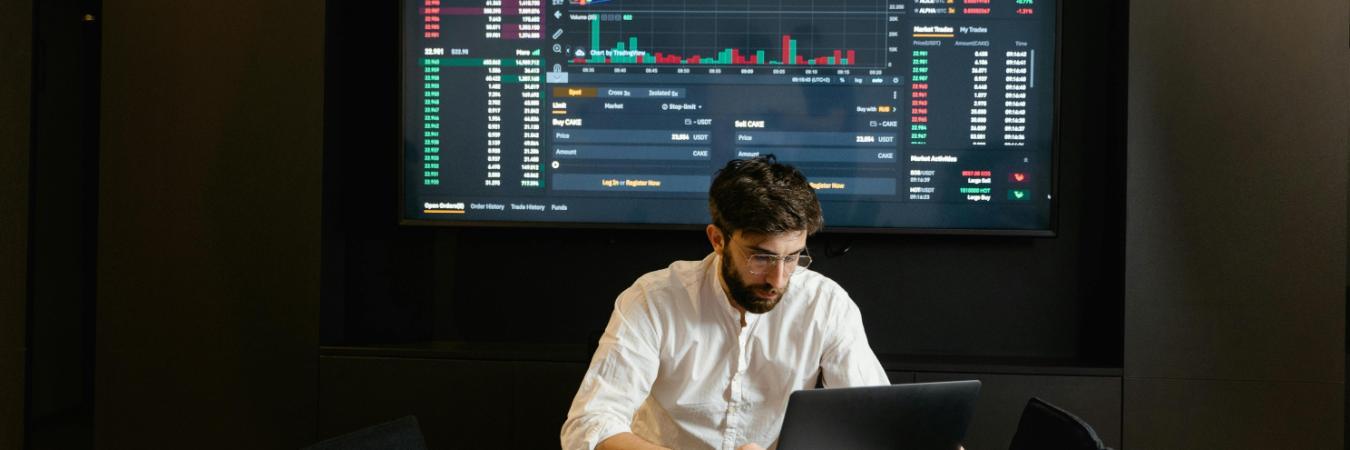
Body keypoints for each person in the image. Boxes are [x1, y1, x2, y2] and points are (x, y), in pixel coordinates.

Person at [560, 156, 890, 450]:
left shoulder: (826, 305)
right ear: (718, 239)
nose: (778, 279)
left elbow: (875, 423)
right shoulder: (652, 299)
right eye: (761, 257)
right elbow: (589, 426)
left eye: (792, 258)